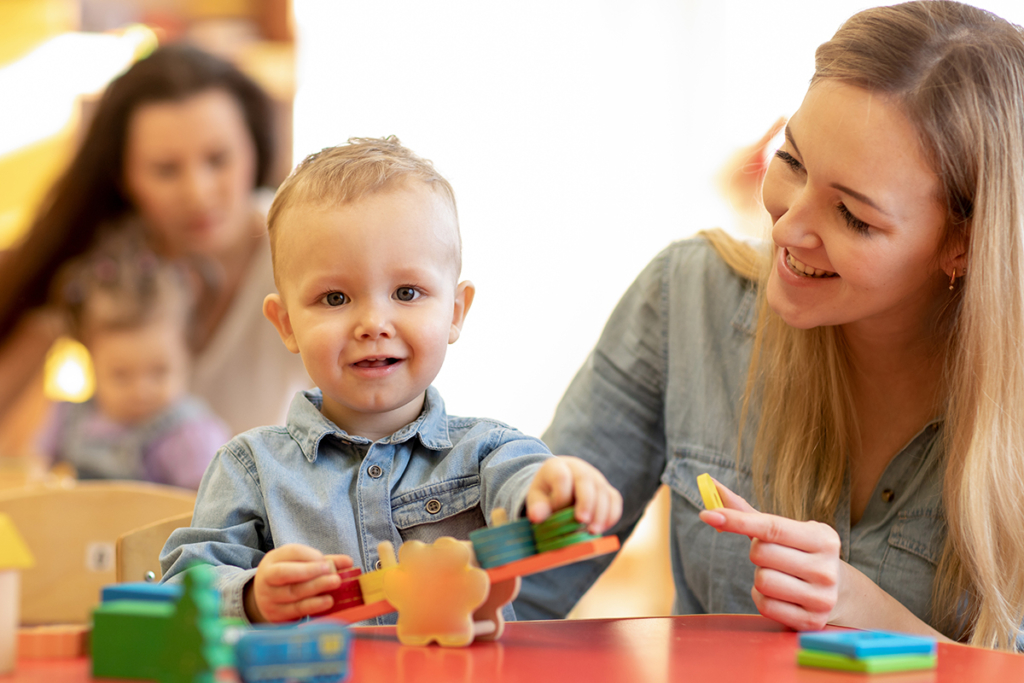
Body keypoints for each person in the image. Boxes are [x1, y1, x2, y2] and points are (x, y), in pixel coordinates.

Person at [515, 0, 1024, 651]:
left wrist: (873, 612)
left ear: (963, 243)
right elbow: (525, 575)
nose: (785, 226)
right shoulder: (686, 297)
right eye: (792, 162)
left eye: (853, 216)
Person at [159, 137, 623, 624]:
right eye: (335, 298)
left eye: (407, 292)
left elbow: (529, 486)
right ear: (286, 324)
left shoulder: (489, 451)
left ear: (455, 312)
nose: (373, 323)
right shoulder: (249, 468)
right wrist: (252, 596)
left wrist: (558, 487)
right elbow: (183, 590)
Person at [0, 43, 310, 441]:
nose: (198, 194)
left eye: (218, 159)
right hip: (131, 497)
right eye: (165, 170)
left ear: (255, 149)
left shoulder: (301, 249)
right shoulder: (106, 266)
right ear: (123, 177)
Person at [36, 231, 228, 489]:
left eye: (159, 372)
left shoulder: (189, 434)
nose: (141, 390)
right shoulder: (69, 416)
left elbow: (209, 508)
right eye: (120, 375)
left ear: (187, 354)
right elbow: (35, 472)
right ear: (90, 361)